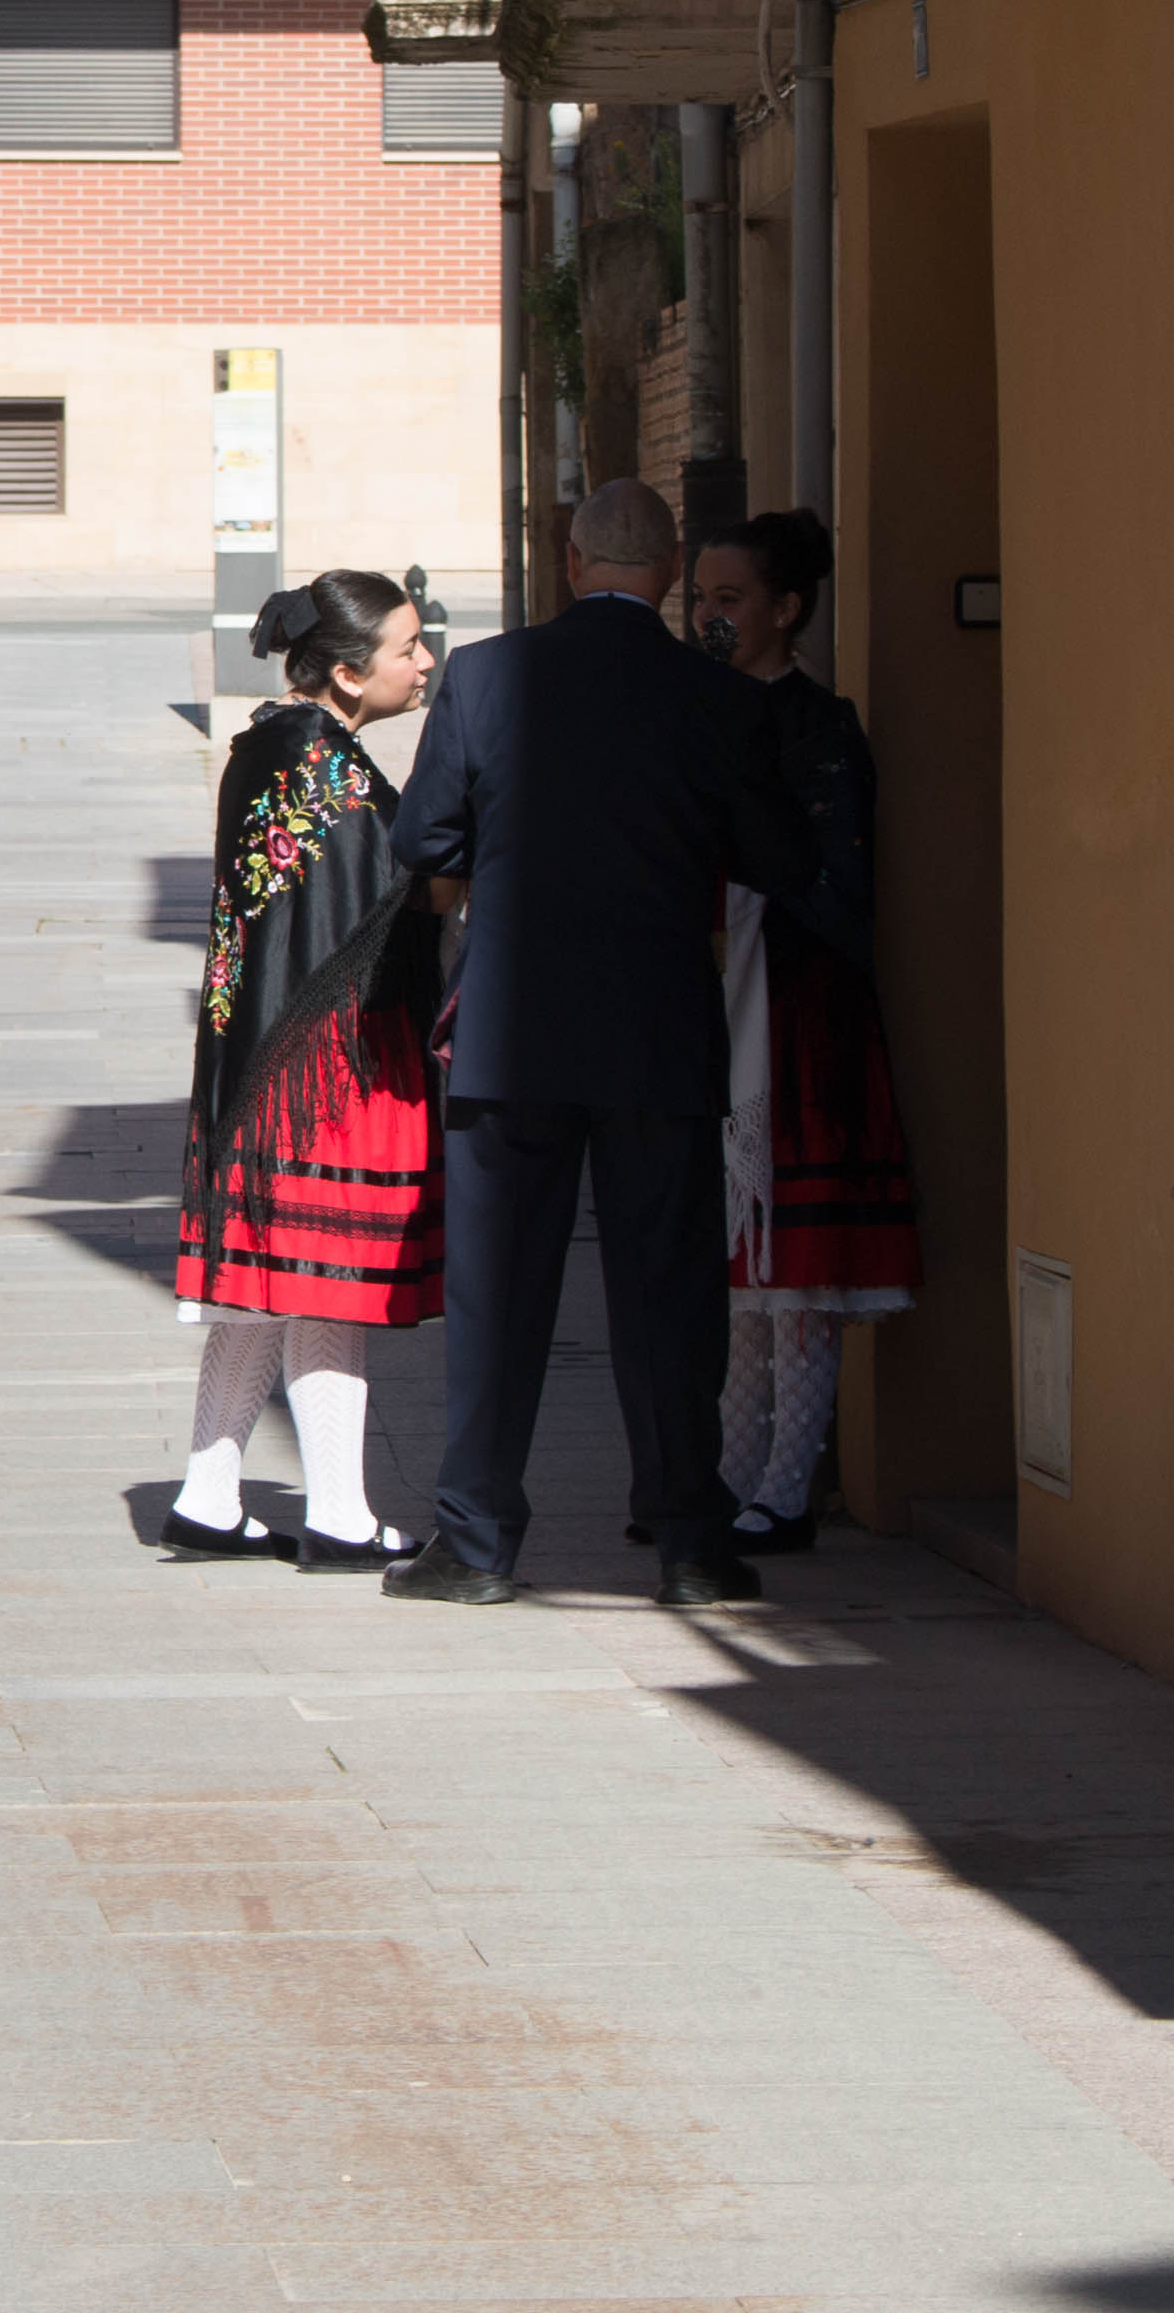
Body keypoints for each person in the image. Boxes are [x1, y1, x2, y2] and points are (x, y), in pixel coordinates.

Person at [381, 474, 814, 1607]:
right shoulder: (712, 697)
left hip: (513, 1038)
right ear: (670, 574)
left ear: (572, 564)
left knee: (499, 1294)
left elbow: (422, 834)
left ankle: (476, 1544)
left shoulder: (482, 675)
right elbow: (781, 854)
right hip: (660, 1034)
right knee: (669, 1296)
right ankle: (689, 1542)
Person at [166, 569, 446, 1566]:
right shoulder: (318, 761)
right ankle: (337, 1511)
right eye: (407, 648)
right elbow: (400, 889)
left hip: (263, 1061)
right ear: (340, 670)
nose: (423, 664)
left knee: (264, 1283)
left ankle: (208, 1490)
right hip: (328, 1073)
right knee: (327, 1282)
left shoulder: (272, 746)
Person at [690, 509, 916, 1555]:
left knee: (797, 1266)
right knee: (735, 1267)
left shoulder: (820, 729)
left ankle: (788, 1482)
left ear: (786, 608)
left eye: (730, 600)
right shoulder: (693, 711)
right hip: (716, 1004)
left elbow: (837, 888)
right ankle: (732, 1472)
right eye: (700, 599)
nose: (710, 618)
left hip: (798, 1014)